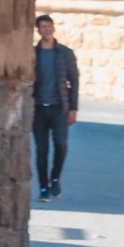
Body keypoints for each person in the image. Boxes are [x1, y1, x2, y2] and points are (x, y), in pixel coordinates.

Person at [32, 14, 79, 203]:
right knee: (41, 150)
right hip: (39, 109)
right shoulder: (32, 54)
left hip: (60, 108)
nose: (47, 29)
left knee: (61, 145)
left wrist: (73, 109)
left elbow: (73, 81)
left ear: (53, 28)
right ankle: (43, 186)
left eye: (49, 26)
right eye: (43, 26)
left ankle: (55, 178)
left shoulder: (65, 53)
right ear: (38, 30)